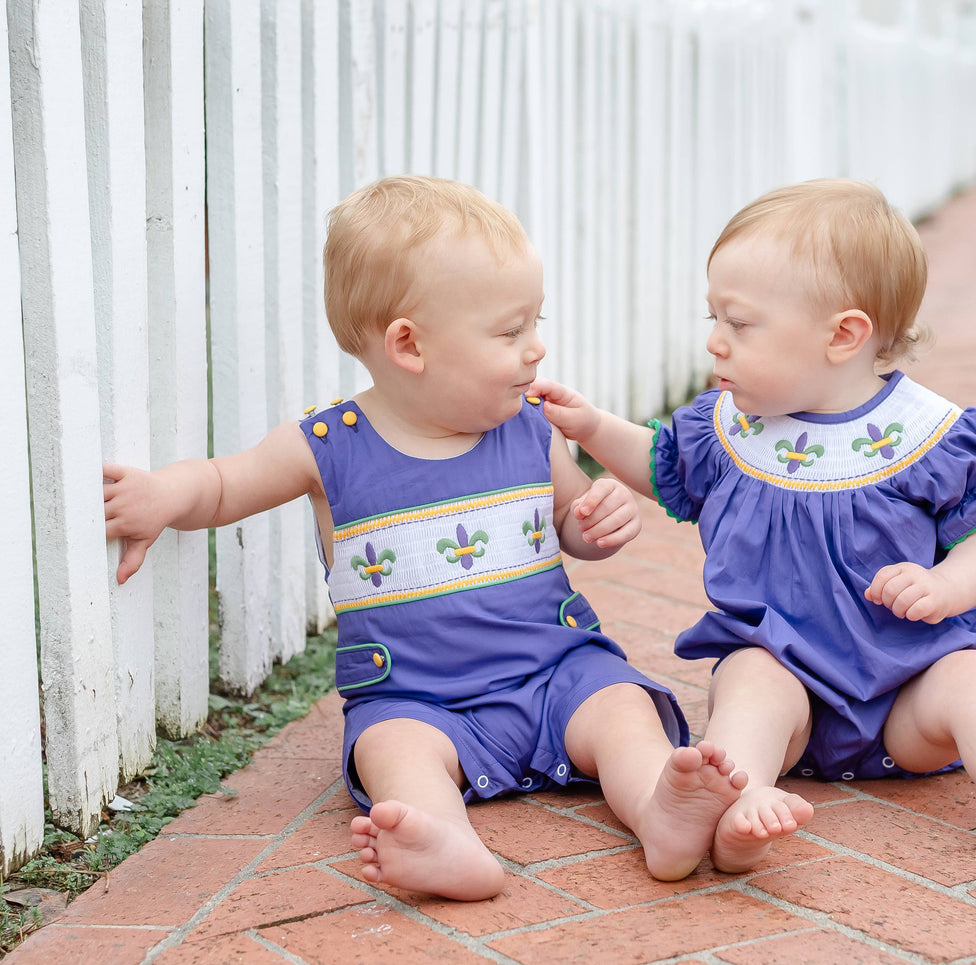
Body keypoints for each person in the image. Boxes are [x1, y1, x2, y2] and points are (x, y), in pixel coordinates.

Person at [102, 175, 748, 900]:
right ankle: (442, 839)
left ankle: (659, 808)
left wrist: (596, 525)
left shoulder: (529, 427)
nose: (536, 349)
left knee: (621, 707)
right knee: (390, 749)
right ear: (408, 345)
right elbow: (224, 483)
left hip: (554, 672)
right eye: (510, 331)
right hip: (417, 697)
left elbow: (570, 524)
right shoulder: (326, 446)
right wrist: (162, 495)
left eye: (536, 322)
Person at [531, 178, 976, 874]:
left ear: (842, 335)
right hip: (787, 677)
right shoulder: (730, 427)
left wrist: (946, 586)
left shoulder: (925, 435)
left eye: (739, 323)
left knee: (971, 673)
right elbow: (662, 466)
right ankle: (741, 796)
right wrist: (595, 428)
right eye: (714, 319)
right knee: (749, 676)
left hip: (907, 690)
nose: (714, 342)